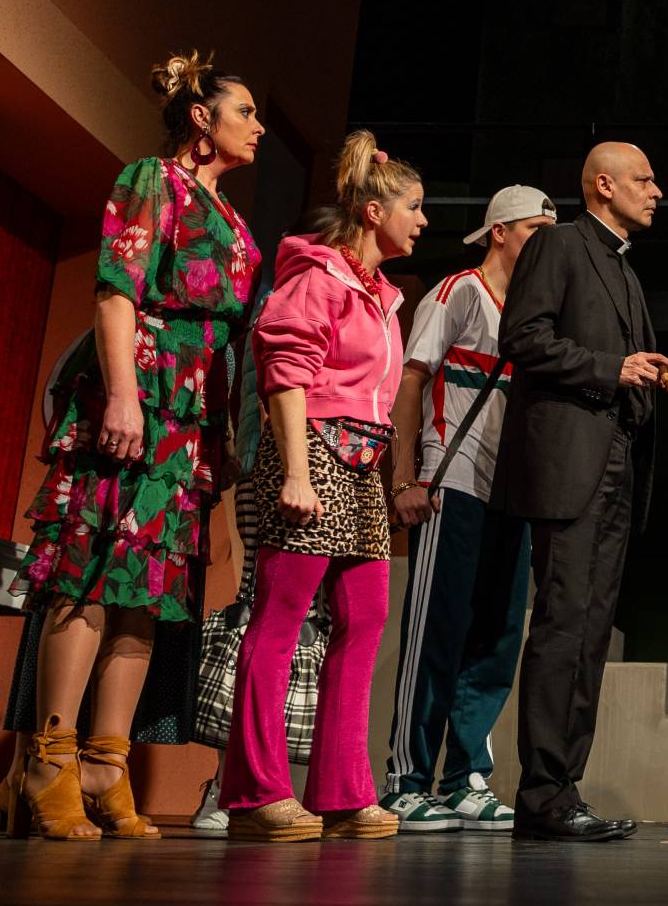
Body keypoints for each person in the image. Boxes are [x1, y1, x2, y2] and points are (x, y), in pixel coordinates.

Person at [5, 51, 263, 840]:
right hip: (139, 389)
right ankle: (48, 759)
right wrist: (122, 393)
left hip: (189, 417)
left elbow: (225, 341)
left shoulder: (232, 220)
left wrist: (219, 433)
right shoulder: (153, 181)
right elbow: (118, 291)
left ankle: (104, 764)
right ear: (201, 118)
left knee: (146, 589)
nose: (256, 126)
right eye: (245, 111)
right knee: (90, 570)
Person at [220, 131, 425, 842]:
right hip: (310, 451)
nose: (422, 220)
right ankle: (254, 792)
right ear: (373, 211)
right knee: (280, 619)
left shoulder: (380, 294)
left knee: (364, 618)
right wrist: (297, 472)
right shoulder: (319, 277)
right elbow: (285, 372)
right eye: (413, 206)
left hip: (362, 465)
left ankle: (342, 792)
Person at [492, 142, 668, 842]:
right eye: (643, 180)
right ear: (603, 185)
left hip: (616, 465)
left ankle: (563, 788)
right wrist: (610, 367)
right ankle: (541, 794)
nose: (656, 191)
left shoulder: (624, 269)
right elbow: (522, 337)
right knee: (564, 623)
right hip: (571, 467)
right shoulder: (559, 245)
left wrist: (645, 374)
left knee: (592, 631)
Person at [379, 186, 556, 832]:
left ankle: (463, 777)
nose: (544, 243)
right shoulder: (458, 292)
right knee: (437, 632)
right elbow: (410, 381)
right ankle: (406, 779)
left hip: (511, 492)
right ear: (500, 231)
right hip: (451, 480)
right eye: (535, 230)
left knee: (497, 637)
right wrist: (406, 475)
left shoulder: (536, 314)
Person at [189, 207, 339, 833]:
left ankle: (262, 784)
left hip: (315, 469)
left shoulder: (313, 291)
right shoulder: (293, 291)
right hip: (276, 468)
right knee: (266, 612)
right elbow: (265, 389)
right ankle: (232, 784)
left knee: (305, 623)